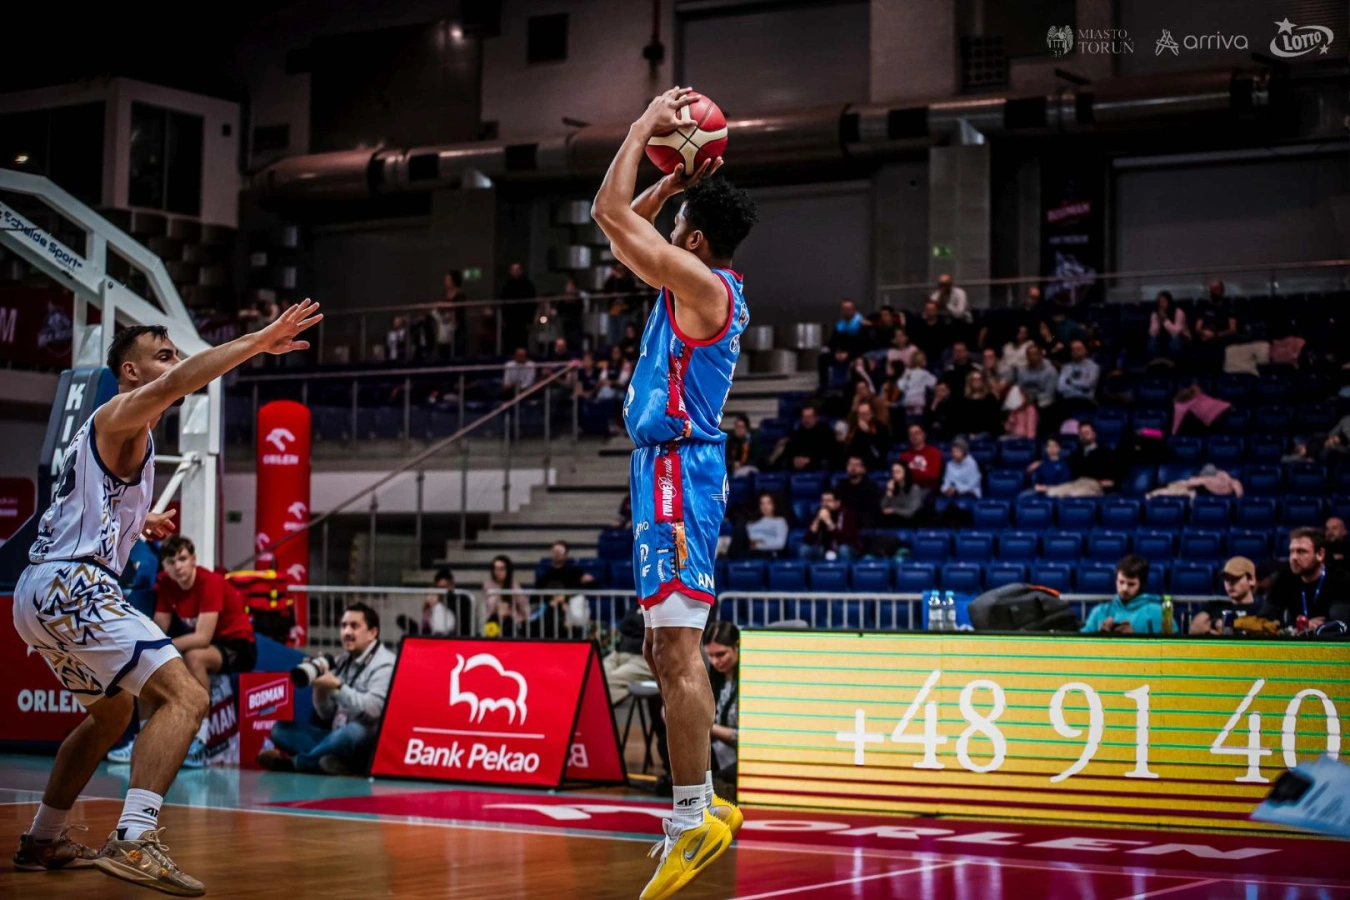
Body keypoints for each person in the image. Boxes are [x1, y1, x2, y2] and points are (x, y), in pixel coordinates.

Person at [11, 303, 320, 893]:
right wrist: (257, 341)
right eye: (163, 356)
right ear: (131, 372)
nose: (175, 365)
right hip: (73, 585)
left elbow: (80, 504)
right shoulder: (120, 410)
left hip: (39, 594)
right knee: (186, 696)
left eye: (176, 355)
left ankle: (44, 836)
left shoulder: (126, 436)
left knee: (111, 715)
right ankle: (134, 838)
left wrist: (137, 521)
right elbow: (183, 381)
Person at [591, 86, 755, 895]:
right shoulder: (694, 279)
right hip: (666, 470)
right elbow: (628, 222)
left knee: (679, 648)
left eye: (678, 224)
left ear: (693, 241)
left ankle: (691, 817)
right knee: (663, 647)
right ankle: (702, 803)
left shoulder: (703, 288)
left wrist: (641, 127)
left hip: (678, 474)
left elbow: (607, 214)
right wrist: (675, 177)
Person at [107, 535, 259, 767]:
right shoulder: (167, 586)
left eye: (183, 559)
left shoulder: (210, 582)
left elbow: (202, 637)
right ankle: (144, 742)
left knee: (194, 657)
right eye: (171, 562)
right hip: (208, 644)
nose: (178, 566)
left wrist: (163, 647)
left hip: (239, 646)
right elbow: (159, 629)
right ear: (164, 566)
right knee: (146, 661)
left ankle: (200, 742)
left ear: (193, 560)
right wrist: (147, 650)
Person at [259, 603, 396, 776]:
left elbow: (372, 710)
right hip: (335, 736)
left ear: (372, 633)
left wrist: (337, 686)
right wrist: (320, 688)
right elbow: (325, 714)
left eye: (354, 626)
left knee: (353, 732)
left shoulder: (385, 664)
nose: (347, 632)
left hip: (364, 741)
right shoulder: (342, 660)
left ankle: (297, 764)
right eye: (344, 626)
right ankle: (333, 763)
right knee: (280, 730)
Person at [1259, 528, 1350, 629]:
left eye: (1301, 551)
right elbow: (1263, 619)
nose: (1294, 557)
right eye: (1291, 551)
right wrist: (1300, 626)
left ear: (1320, 554)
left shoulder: (1340, 579)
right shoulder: (1283, 579)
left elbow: (1340, 623)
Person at [1081, 556, 1174, 635]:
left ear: (1142, 584)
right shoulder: (1099, 611)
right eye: (1121, 582)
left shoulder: (1159, 612)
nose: (1124, 588)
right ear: (1116, 581)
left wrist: (1135, 638)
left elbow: (1172, 647)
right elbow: (1080, 645)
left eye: (1131, 584)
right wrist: (1099, 635)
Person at [704, 622, 740, 795]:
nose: (715, 662)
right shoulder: (714, 677)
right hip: (719, 750)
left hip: (743, 754)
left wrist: (708, 728)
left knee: (716, 784)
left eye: (720, 654)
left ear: (737, 646)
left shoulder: (752, 679)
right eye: (710, 656)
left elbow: (746, 738)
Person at [1190, 557, 1261, 635]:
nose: (1230, 583)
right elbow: (1195, 629)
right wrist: (1215, 623)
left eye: (1236, 578)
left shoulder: (1262, 609)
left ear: (1251, 580)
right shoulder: (1214, 606)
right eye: (1227, 579)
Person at [605, 606, 654, 705]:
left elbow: (652, 628)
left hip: (643, 660)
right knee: (593, 674)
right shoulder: (638, 604)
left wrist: (637, 622)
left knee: (608, 680)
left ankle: (598, 710)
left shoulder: (663, 604)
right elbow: (623, 625)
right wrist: (641, 624)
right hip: (618, 654)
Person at [798, 490, 861, 562]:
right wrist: (817, 520)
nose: (825, 504)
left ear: (838, 503)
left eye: (829, 501)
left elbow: (846, 541)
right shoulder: (818, 512)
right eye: (823, 501)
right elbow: (807, 540)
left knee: (843, 549)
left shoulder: (847, 514)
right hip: (824, 549)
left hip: (844, 549)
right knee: (805, 549)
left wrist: (829, 522)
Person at [398, 569, 456, 637]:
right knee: (402, 620)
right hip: (428, 632)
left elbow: (441, 627)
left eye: (445, 587)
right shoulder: (429, 607)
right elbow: (425, 623)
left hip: (442, 634)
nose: (443, 591)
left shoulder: (450, 604)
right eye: (440, 588)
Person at [782, 403, 840, 471]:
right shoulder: (797, 434)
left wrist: (810, 460)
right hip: (798, 470)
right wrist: (794, 460)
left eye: (809, 417)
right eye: (804, 417)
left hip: (819, 469)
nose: (806, 420)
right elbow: (788, 453)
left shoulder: (826, 433)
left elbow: (831, 454)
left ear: (816, 418)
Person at [484, 556, 530, 638]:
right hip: (494, 621)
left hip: (513, 622)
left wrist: (510, 613)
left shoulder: (514, 585)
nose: (497, 572)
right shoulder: (488, 585)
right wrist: (498, 607)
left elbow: (524, 609)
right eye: (495, 569)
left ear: (508, 571)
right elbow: (488, 609)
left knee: (509, 623)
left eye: (501, 569)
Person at [843, 398, 890, 470]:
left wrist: (868, 433)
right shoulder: (853, 428)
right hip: (854, 463)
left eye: (866, 414)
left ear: (872, 414)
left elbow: (880, 452)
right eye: (861, 414)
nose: (863, 417)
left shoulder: (881, 428)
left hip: (874, 464)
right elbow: (848, 450)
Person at [501, 262, 537, 352]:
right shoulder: (506, 286)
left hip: (523, 320)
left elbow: (532, 304)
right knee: (510, 343)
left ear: (521, 271)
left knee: (522, 343)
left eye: (517, 270)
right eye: (513, 270)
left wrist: (530, 320)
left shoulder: (527, 285)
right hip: (510, 320)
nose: (515, 272)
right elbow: (503, 303)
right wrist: (504, 318)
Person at [742, 493, 788, 558]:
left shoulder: (779, 521)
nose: (765, 506)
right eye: (762, 503)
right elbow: (746, 539)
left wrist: (758, 545)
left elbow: (780, 544)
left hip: (767, 552)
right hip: (748, 551)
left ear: (774, 505)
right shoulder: (752, 522)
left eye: (768, 503)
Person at [900, 423, 943, 493]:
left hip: (927, 490)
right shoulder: (904, 455)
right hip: (908, 489)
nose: (913, 436)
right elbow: (901, 476)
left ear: (924, 435)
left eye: (917, 433)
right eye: (911, 434)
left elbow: (933, 475)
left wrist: (912, 473)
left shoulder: (934, 453)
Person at [1147, 291, 1190, 360]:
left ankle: (1174, 362)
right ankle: (1158, 361)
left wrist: (1165, 319)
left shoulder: (1178, 312)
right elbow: (1152, 333)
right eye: (1160, 302)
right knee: (1152, 342)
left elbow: (1176, 333)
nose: (1162, 304)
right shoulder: (1155, 313)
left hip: (1181, 336)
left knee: (1175, 342)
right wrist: (1159, 321)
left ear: (1169, 302)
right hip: (1163, 337)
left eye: (1164, 301)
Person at [895, 350, 937, 417]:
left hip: (908, 401)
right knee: (917, 419)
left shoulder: (908, 372)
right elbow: (934, 382)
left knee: (909, 419)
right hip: (918, 402)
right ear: (923, 361)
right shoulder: (924, 374)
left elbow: (900, 385)